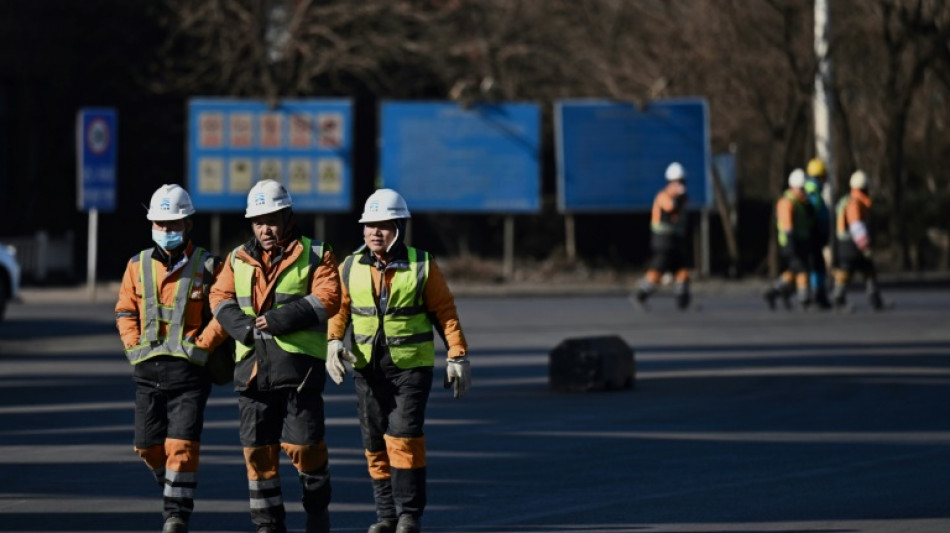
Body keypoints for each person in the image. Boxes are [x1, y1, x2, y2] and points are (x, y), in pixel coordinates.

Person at [325, 188, 470, 533]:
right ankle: (386, 515)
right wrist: (332, 341)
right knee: (374, 442)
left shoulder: (422, 264)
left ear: (399, 227)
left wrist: (457, 355)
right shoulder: (350, 266)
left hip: (410, 367)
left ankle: (409, 515)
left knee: (403, 437)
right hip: (366, 368)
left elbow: (445, 312)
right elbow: (340, 310)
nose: (376, 232)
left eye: (384, 225)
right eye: (370, 225)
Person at [209, 179, 342, 533]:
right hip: (252, 370)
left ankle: (317, 508)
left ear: (286, 217)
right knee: (257, 452)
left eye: (271, 219)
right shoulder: (237, 259)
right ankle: (268, 525)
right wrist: (243, 328)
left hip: (299, 370)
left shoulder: (316, 252)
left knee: (306, 447)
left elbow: (328, 296)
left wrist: (280, 319)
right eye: (258, 221)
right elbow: (219, 299)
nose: (265, 228)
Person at [114, 183, 230, 533]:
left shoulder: (210, 265)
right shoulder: (136, 265)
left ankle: (176, 514)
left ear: (188, 224)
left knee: (182, 445)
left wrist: (203, 347)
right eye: (159, 224)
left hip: (190, 373)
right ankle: (172, 487)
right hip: (148, 370)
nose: (165, 231)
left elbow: (224, 313)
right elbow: (124, 310)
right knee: (147, 446)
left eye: (173, 224)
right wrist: (134, 347)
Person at [633, 162, 692, 310]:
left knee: (682, 269)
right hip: (663, 241)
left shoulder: (683, 199)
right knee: (658, 269)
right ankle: (640, 294)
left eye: (682, 182)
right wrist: (679, 198)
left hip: (676, 240)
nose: (680, 185)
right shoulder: (663, 196)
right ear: (670, 183)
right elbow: (671, 208)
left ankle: (682, 300)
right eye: (677, 182)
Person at [831, 170, 885, 311]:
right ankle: (839, 298)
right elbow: (856, 227)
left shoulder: (849, 200)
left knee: (868, 270)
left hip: (845, 243)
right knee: (846, 271)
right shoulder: (855, 203)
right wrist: (865, 246)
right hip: (852, 244)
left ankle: (875, 299)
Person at [764, 169, 814, 310]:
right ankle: (805, 298)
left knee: (792, 272)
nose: (804, 191)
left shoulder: (801, 203)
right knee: (802, 270)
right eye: (801, 188)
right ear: (793, 187)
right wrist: (791, 244)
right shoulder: (787, 202)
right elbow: (787, 226)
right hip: (790, 243)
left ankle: (773, 292)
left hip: (801, 242)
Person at [805, 158, 832, 309]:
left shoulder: (810, 189)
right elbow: (814, 212)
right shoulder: (813, 191)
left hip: (814, 234)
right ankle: (817, 294)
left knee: (815, 264)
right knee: (817, 265)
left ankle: (817, 293)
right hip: (814, 234)